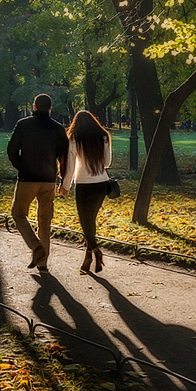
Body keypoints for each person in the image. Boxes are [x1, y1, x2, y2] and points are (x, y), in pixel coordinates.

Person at [7, 94, 68, 271]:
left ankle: (36, 247)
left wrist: (21, 166)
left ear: (34, 106)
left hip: (27, 178)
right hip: (49, 180)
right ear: (50, 108)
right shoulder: (58, 128)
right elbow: (64, 155)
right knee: (45, 221)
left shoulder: (23, 124)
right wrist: (60, 176)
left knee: (18, 214)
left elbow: (12, 150)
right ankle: (43, 263)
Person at [58, 109, 112, 274]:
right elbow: (107, 163)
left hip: (83, 184)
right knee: (91, 220)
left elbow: (70, 166)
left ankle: (95, 250)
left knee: (85, 221)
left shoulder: (74, 139)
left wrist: (65, 185)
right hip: (102, 183)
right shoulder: (104, 137)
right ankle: (88, 256)